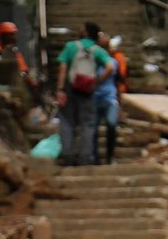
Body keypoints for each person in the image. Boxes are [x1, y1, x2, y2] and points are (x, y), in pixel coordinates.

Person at [55, 22, 115, 166]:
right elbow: (110, 67)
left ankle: (68, 157)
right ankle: (86, 158)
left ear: (86, 32)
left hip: (70, 89)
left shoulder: (71, 46)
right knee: (87, 125)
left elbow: (63, 67)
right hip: (88, 91)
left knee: (67, 123)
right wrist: (97, 82)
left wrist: (60, 89)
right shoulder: (98, 51)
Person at [92, 32, 129, 165]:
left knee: (111, 124)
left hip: (110, 98)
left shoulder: (114, 62)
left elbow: (119, 83)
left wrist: (120, 103)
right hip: (94, 99)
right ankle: (94, 157)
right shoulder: (92, 63)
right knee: (93, 128)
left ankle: (110, 156)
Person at [0, 20, 38, 91]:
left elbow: (24, 71)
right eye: (10, 35)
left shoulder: (15, 52)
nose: (13, 37)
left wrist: (32, 84)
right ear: (3, 35)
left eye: (13, 34)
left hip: (13, 84)